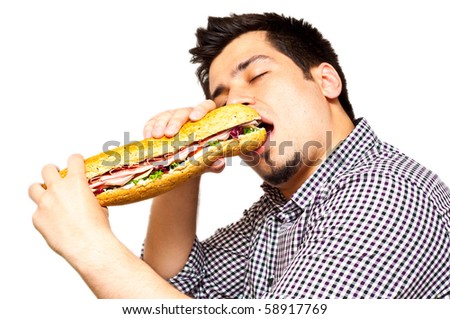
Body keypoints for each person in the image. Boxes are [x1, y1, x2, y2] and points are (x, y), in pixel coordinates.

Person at [29, 13, 450, 298]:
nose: (236, 106)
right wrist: (184, 159)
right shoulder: (279, 210)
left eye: (257, 74)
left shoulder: (388, 192)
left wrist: (88, 246)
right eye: (221, 98)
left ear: (326, 81)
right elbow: (169, 285)